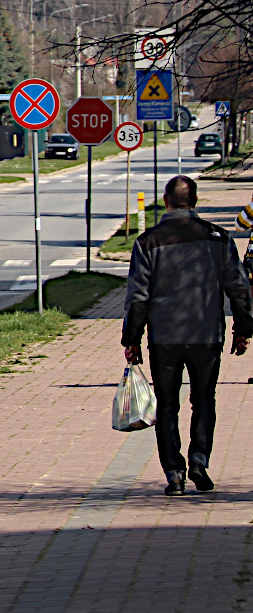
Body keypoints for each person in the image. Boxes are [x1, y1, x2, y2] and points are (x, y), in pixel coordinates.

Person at [122, 174, 253, 495]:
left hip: (164, 338)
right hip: (207, 335)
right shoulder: (218, 238)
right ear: (194, 202)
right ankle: (199, 459)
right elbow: (239, 287)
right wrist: (242, 329)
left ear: (166, 202)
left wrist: (132, 339)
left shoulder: (148, 241)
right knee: (204, 400)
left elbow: (138, 296)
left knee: (166, 406)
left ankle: (174, 473)